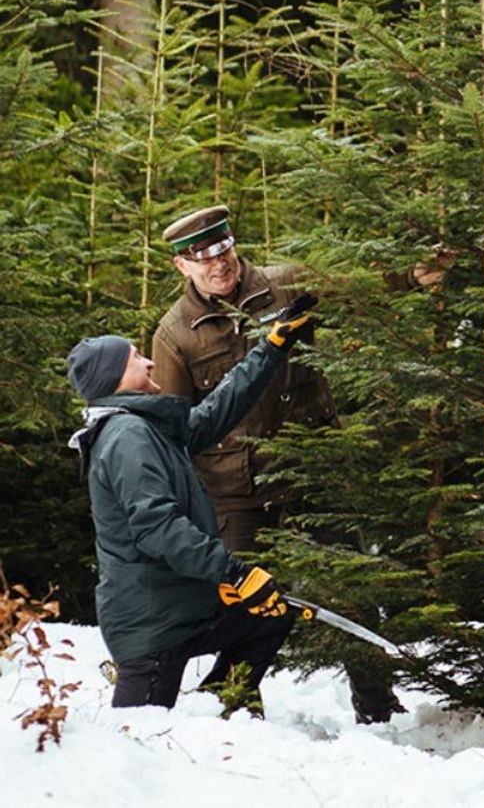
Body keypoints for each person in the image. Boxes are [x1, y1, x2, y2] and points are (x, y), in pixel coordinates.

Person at [150, 204, 403, 724]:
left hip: (315, 470)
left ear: (233, 244)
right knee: (242, 602)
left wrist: (416, 273)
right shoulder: (175, 334)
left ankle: (377, 704)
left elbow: (361, 284)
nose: (217, 264)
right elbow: (177, 430)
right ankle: (237, 705)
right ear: (182, 267)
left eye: (222, 249)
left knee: (350, 585)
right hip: (236, 489)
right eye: (202, 258)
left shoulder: (286, 286)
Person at [65, 311, 311, 711]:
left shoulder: (145, 426)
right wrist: (235, 572)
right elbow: (158, 528)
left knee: (270, 615)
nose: (148, 361)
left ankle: (219, 712)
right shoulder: (128, 437)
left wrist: (269, 349)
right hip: (152, 625)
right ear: (113, 380)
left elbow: (214, 415)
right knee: (138, 742)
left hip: (183, 608)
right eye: (135, 358)